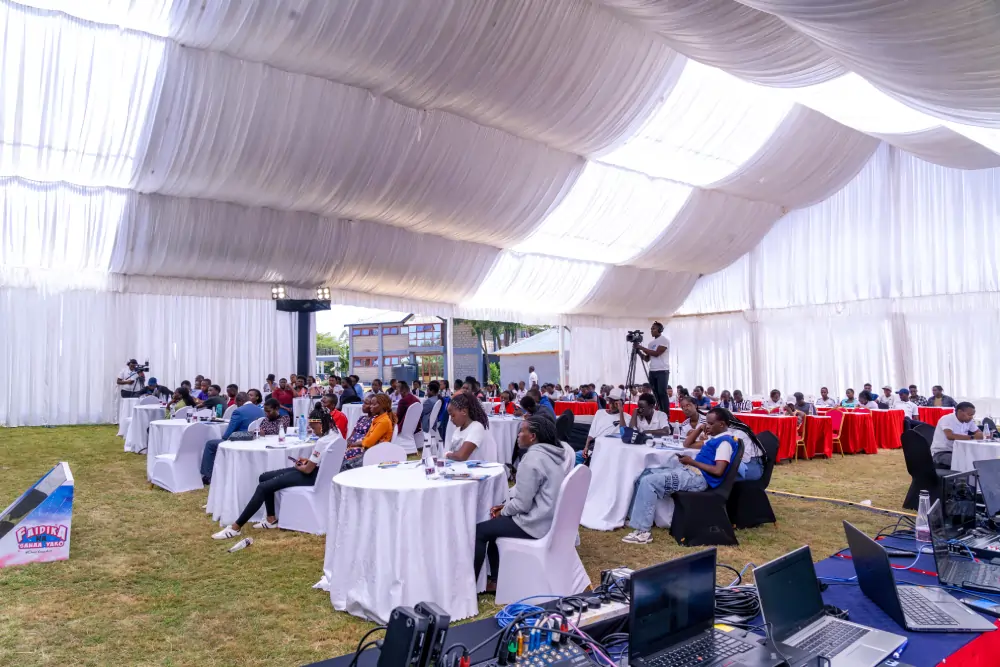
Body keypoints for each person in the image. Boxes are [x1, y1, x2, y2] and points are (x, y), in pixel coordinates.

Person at [212, 407, 339, 539]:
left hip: (312, 476)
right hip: (320, 474)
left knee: (263, 487)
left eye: (313, 427)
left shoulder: (322, 441)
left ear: (320, 423)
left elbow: (307, 470)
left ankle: (236, 527)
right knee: (264, 477)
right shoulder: (335, 434)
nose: (313, 431)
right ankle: (271, 519)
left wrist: (298, 466)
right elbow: (322, 460)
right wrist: (307, 462)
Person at [474, 415, 566, 592]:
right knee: (494, 526)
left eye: (521, 431)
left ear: (532, 436)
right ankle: (496, 580)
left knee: (480, 531)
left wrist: (503, 511)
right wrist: (505, 509)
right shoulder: (553, 455)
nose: (518, 435)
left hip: (535, 524)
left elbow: (522, 505)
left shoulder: (532, 459)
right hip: (549, 519)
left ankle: (471, 586)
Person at [622, 408, 740, 544]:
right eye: (706, 423)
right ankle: (636, 518)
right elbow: (687, 444)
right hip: (690, 472)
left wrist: (692, 462)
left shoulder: (724, 443)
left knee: (649, 481)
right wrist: (699, 428)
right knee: (644, 474)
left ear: (722, 424)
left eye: (711, 423)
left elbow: (718, 470)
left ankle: (643, 532)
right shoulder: (716, 438)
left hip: (698, 478)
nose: (707, 426)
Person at [200, 392, 265, 484]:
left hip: (240, 441)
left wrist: (223, 437)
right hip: (255, 440)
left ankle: (208, 476)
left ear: (240, 401)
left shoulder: (239, 411)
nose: (236, 406)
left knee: (210, 444)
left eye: (236, 404)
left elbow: (228, 434)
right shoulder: (260, 410)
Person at [579, 388, 625, 464]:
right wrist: (586, 447)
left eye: (615, 402)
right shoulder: (600, 413)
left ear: (622, 403)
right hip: (593, 448)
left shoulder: (626, 418)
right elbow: (592, 433)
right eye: (610, 401)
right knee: (573, 457)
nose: (612, 404)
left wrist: (621, 411)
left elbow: (624, 432)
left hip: (608, 451)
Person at [930, 401, 982, 469]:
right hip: (942, 453)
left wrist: (982, 435)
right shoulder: (947, 419)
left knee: (978, 459)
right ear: (959, 411)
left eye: (973, 415)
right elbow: (950, 436)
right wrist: (973, 437)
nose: (971, 417)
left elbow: (978, 432)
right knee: (964, 462)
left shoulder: (969, 421)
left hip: (959, 451)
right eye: (969, 414)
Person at [633, 321, 670, 412]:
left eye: (653, 328)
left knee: (662, 392)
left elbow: (656, 353)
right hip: (652, 371)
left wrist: (641, 347)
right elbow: (646, 359)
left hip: (662, 370)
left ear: (660, 330)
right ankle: (659, 411)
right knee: (656, 393)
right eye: (651, 329)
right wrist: (639, 352)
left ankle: (666, 413)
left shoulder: (664, 340)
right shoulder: (651, 344)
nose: (651, 330)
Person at [446, 392, 490, 461]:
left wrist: (447, 454)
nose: (451, 419)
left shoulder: (476, 427)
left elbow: (461, 456)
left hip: (474, 468)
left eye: (453, 415)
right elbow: (453, 454)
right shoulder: (457, 431)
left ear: (464, 412)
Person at [342, 396, 375, 469]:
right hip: (351, 445)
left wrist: (353, 445)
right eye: (363, 403)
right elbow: (353, 432)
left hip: (361, 447)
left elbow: (370, 439)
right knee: (337, 452)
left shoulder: (374, 420)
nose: (363, 405)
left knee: (344, 457)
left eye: (366, 403)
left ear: (372, 406)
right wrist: (348, 441)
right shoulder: (362, 418)